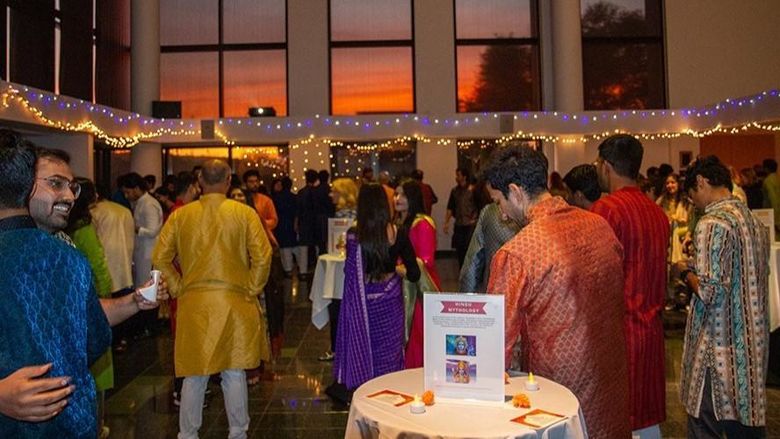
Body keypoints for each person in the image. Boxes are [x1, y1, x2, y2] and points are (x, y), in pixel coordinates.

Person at [0, 129, 167, 437]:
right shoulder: (63, 255)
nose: (68, 196)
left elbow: (83, 326)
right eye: (55, 184)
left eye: (72, 187)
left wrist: (133, 301)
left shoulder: (66, 250)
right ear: (24, 185)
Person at [484, 144, 630, 439]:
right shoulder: (600, 226)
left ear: (515, 191)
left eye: (498, 201)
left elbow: (494, 345)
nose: (501, 212)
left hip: (557, 399)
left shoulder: (518, 253)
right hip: (610, 388)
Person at [153, 159, 272, 439]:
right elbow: (263, 256)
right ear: (229, 181)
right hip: (235, 301)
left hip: (194, 303)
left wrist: (179, 287)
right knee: (234, 372)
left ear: (200, 183)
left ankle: (188, 434)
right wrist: (251, 287)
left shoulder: (181, 216)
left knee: (194, 374)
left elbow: (160, 257)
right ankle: (238, 432)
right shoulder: (243, 213)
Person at [673, 156, 769, 438]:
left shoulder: (712, 222)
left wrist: (684, 273)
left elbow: (709, 291)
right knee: (745, 428)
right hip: (750, 350)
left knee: (705, 426)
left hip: (716, 352)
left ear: (701, 182)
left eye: (692, 197)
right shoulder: (753, 221)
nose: (694, 205)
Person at [592, 134, 669, 438]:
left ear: (606, 166)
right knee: (647, 421)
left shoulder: (607, 209)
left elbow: (597, 276)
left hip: (619, 333)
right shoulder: (657, 213)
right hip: (651, 330)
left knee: (619, 419)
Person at [332, 183, 420, 395]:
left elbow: (351, 275)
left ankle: (367, 398)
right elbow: (414, 273)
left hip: (363, 306)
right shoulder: (399, 233)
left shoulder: (355, 235)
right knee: (390, 354)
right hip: (390, 302)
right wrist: (396, 271)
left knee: (365, 350)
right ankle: (390, 396)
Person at [394, 179, 440, 368]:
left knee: (418, 334)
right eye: (396, 194)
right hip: (402, 284)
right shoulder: (400, 221)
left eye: (403, 194)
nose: (397, 198)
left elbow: (426, 260)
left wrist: (397, 267)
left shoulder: (422, 224)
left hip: (420, 288)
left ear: (412, 198)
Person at [459, 201, 520, 293]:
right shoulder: (545, 219)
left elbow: (473, 260)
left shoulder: (491, 212)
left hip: (496, 295)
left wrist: (467, 300)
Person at [444, 167, 478, 268]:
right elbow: (450, 207)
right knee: (460, 249)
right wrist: (446, 222)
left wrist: (476, 219)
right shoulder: (454, 191)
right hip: (459, 224)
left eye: (458, 175)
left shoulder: (473, 190)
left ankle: (471, 270)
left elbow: (480, 206)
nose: (456, 177)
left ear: (464, 176)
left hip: (470, 225)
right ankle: (462, 269)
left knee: (470, 248)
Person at [657, 174, 692, 264]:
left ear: (678, 184)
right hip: (666, 230)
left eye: (673, 182)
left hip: (683, 230)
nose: (670, 185)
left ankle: (676, 261)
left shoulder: (685, 200)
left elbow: (689, 219)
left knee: (675, 228)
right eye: (667, 183)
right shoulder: (662, 199)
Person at [763, 158, 780, 239]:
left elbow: (773, 199)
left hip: (771, 214)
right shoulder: (777, 178)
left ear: (766, 169)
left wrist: (776, 221)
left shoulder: (768, 181)